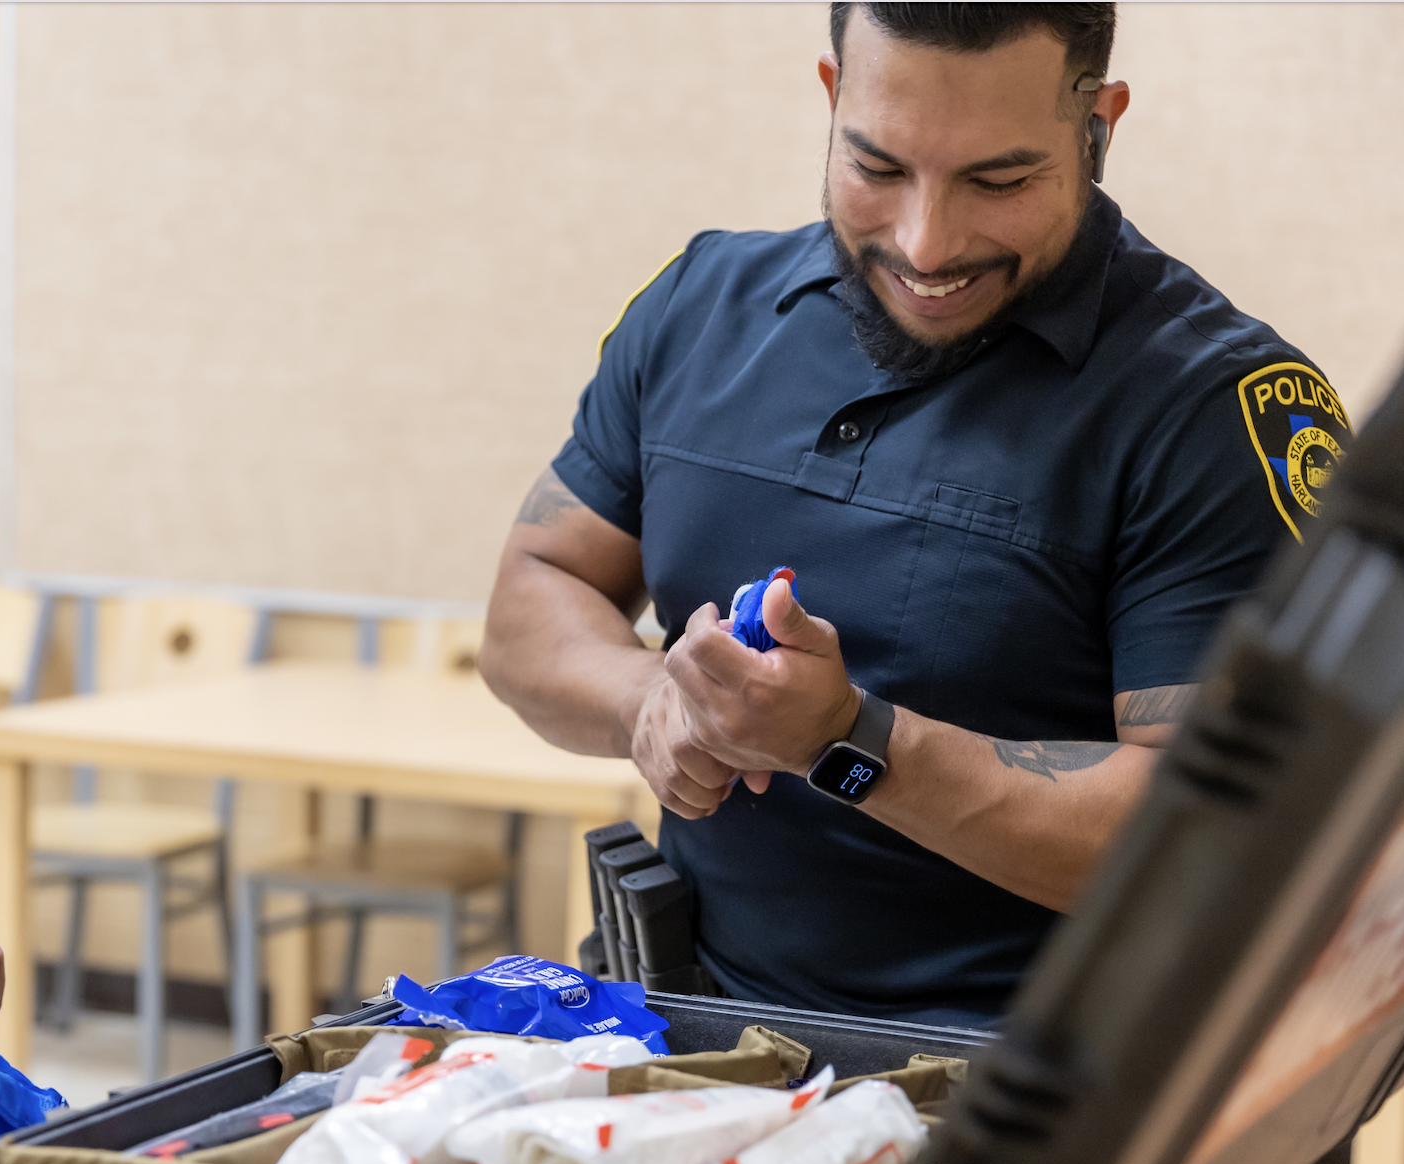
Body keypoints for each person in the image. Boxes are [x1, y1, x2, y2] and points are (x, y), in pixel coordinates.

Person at [480, 3, 1354, 1027]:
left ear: (1100, 127)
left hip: (1026, 1107)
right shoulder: (697, 309)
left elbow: (1215, 835)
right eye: (879, 168)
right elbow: (532, 595)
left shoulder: (1217, 408)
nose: (925, 242)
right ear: (831, 95)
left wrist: (853, 742)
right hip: (691, 1044)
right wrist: (651, 705)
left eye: (1000, 179)